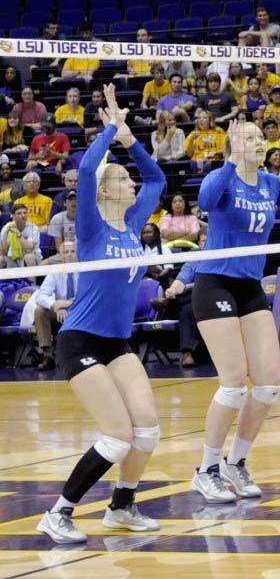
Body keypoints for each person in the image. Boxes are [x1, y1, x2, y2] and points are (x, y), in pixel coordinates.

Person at [37, 84, 166, 543]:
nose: (132, 183)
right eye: (123, 180)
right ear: (107, 191)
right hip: (80, 341)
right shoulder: (91, 224)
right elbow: (88, 166)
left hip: (116, 342)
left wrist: (131, 140)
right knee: (116, 435)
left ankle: (121, 507)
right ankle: (58, 513)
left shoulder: (132, 224)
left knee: (147, 431)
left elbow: (157, 182)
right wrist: (111, 126)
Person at [190, 121, 280, 503]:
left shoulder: (271, 183)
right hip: (214, 281)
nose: (257, 142)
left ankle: (237, 462)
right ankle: (207, 469)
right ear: (234, 143)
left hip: (248, 285)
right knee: (233, 384)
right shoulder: (224, 177)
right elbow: (204, 202)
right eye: (248, 137)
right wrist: (231, 159)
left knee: (268, 384)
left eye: (259, 137)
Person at [33, 241, 78, 370]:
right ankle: (47, 356)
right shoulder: (55, 272)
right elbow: (40, 296)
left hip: (80, 310)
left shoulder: (85, 271)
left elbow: (88, 296)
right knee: (40, 311)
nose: (69, 255)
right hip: (60, 312)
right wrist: (54, 305)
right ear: (60, 256)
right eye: (66, 252)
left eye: (72, 251)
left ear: (77, 254)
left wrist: (65, 304)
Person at [0, 203, 41, 268]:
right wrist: (5, 234)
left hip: (32, 257)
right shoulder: (6, 227)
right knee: (1, 259)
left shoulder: (33, 228)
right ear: (12, 216)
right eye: (19, 213)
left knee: (29, 257)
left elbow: (29, 250)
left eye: (25, 213)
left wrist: (18, 234)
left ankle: (30, 278)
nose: (23, 215)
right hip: (12, 258)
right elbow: (2, 252)